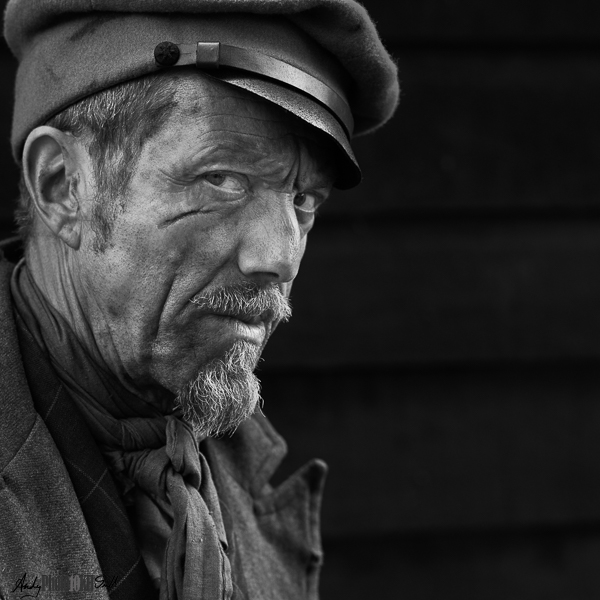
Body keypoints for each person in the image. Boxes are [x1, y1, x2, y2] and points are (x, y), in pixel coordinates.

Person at [0, 0, 398, 598]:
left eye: (303, 200)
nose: (281, 257)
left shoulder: (238, 476)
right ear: (63, 186)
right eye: (223, 179)